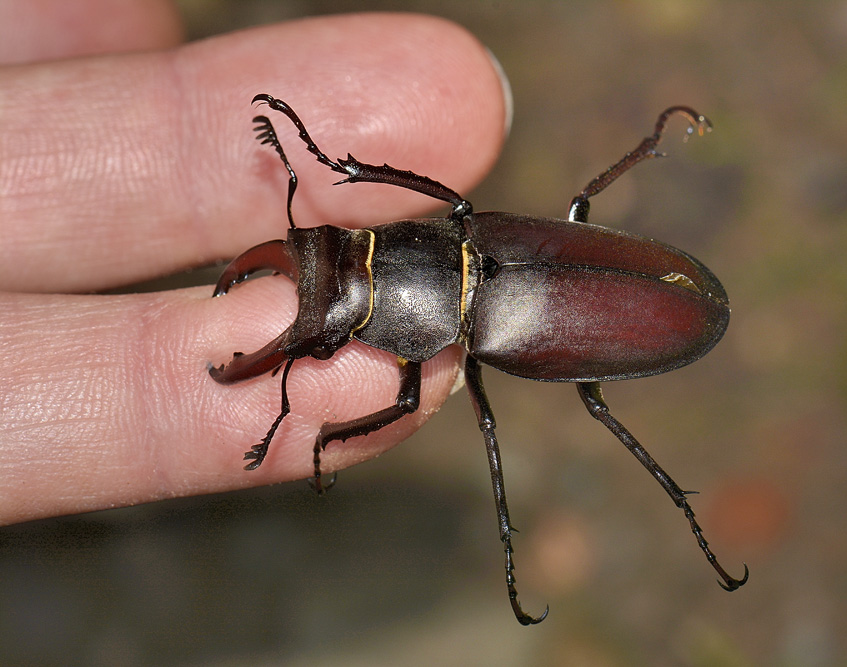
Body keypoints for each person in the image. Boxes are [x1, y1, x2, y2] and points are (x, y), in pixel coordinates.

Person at [0, 0, 510, 525]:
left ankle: (344, 171)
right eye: (340, 245)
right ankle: (343, 170)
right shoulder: (473, 241)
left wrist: (327, 436)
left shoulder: (470, 248)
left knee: (409, 400)